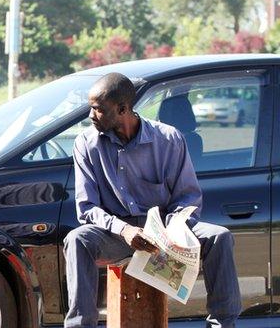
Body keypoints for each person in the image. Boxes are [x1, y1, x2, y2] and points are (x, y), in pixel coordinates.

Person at [63, 73, 241, 328]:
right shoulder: (86, 144)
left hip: (166, 233)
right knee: (77, 239)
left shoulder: (168, 139)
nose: (91, 116)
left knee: (219, 237)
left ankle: (223, 325)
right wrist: (123, 230)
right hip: (116, 234)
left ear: (123, 109)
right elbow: (87, 208)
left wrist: (172, 231)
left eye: (98, 109)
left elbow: (188, 198)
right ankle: (81, 326)